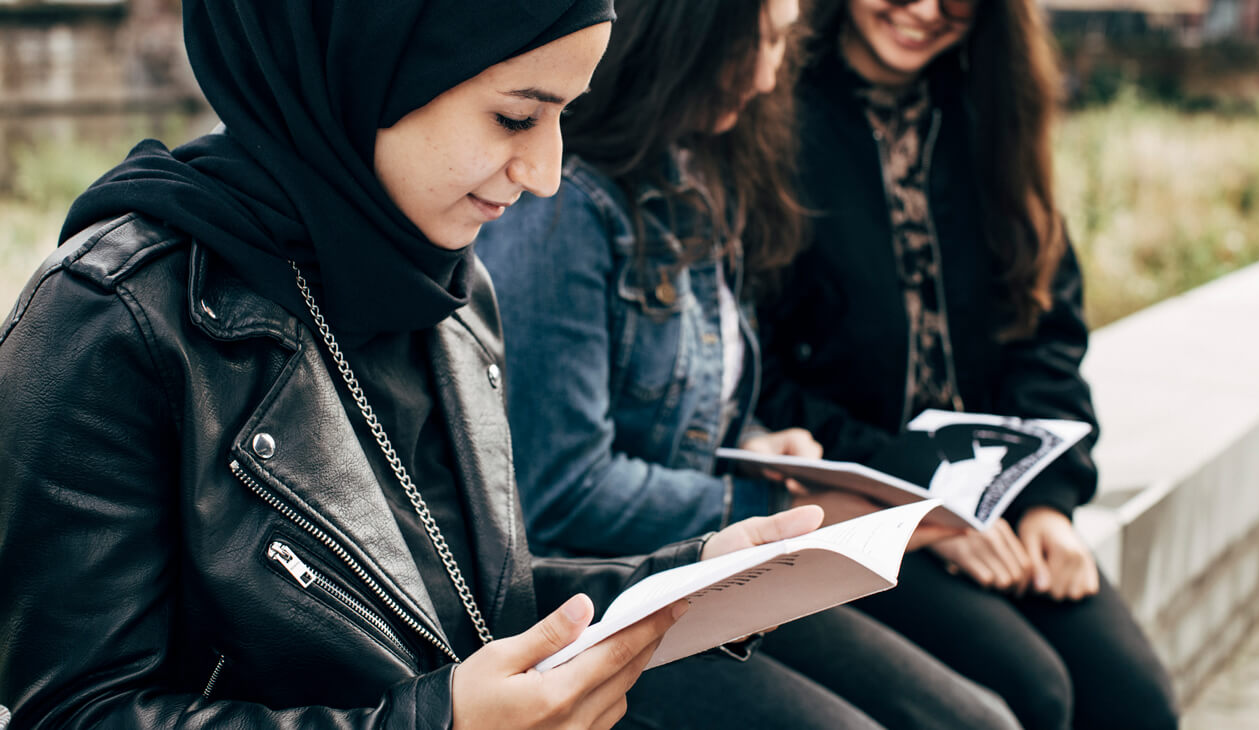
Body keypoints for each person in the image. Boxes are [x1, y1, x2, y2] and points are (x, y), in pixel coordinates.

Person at [0, 2, 853, 728]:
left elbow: (457, 595)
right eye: (517, 117)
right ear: (366, 65)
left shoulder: (444, 284)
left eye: (565, 114)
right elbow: (78, 710)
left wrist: (684, 582)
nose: (548, 173)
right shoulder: (110, 318)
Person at [475, 1, 1021, 728]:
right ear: (685, 38)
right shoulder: (566, 204)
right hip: (600, 598)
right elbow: (560, 490)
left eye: (784, 42)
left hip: (718, 567)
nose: (769, 76)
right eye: (756, 43)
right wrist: (764, 507)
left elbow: (698, 401)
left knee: (980, 718)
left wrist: (760, 443)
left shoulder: (702, 162)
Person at [755, 0, 1180, 727]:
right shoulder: (774, 114)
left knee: (1135, 699)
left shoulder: (995, 109)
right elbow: (757, 380)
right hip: (856, 503)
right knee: (1030, 689)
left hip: (1003, 500)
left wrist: (1050, 501)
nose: (924, 10)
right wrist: (928, 502)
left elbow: (1047, 331)